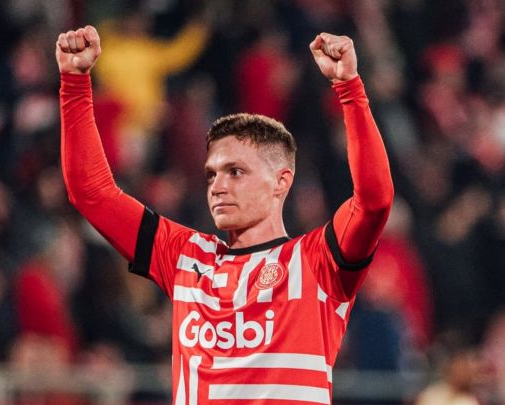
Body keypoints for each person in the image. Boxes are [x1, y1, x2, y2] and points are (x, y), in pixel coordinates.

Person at [56, 25, 393, 404]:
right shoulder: (185, 257)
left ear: (281, 181)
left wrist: (349, 88)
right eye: (211, 174)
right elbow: (92, 193)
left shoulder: (317, 262)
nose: (217, 186)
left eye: (235, 172)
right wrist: (75, 82)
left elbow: (374, 200)